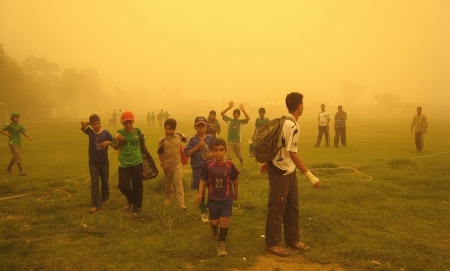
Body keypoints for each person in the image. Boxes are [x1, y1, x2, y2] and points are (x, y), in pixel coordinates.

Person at [260, 92, 321, 257]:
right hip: (281, 172)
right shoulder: (291, 125)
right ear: (299, 106)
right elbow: (292, 153)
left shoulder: (284, 121)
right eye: (303, 103)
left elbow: (278, 144)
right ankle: (272, 243)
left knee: (293, 206)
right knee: (277, 207)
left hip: (289, 170)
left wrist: (267, 162)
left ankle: (293, 239)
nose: (303, 106)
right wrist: (310, 176)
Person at [197, 138, 239, 256]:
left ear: (225, 150)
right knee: (214, 222)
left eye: (221, 150)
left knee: (224, 221)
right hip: (213, 198)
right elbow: (203, 179)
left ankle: (221, 244)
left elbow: (235, 179)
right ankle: (215, 229)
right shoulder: (208, 165)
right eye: (216, 150)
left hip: (226, 198)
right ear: (212, 151)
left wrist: (236, 192)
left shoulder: (230, 165)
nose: (218, 153)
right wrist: (200, 194)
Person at [110, 111, 144, 217]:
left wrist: (146, 159)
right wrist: (119, 141)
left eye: (130, 122)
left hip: (137, 162)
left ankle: (136, 208)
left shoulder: (138, 132)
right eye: (125, 123)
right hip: (124, 163)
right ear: (122, 123)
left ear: (133, 121)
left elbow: (143, 145)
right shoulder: (119, 133)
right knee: (123, 185)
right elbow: (114, 147)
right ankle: (132, 199)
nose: (128, 125)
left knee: (137, 186)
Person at [184, 116, 214, 222]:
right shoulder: (192, 139)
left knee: (211, 190)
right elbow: (186, 153)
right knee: (201, 191)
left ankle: (211, 208)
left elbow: (216, 151)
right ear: (195, 127)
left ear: (206, 126)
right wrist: (197, 147)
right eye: (198, 126)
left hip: (210, 168)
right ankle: (203, 211)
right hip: (198, 169)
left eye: (203, 125)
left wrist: (211, 155)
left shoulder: (210, 138)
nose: (201, 128)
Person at [81, 114, 113, 213]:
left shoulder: (106, 133)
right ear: (91, 125)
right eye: (95, 124)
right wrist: (90, 123)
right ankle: (96, 205)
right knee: (95, 183)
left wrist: (107, 142)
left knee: (105, 181)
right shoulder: (90, 132)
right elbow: (82, 123)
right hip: (93, 162)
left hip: (104, 162)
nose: (97, 125)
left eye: (98, 123)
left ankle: (105, 198)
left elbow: (113, 141)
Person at [157, 118, 187, 210]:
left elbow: (187, 140)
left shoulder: (179, 136)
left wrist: (183, 149)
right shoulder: (162, 141)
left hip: (177, 164)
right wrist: (163, 164)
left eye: (169, 129)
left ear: (174, 129)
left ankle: (181, 203)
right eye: (166, 128)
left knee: (178, 182)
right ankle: (169, 197)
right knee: (168, 183)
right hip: (167, 165)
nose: (167, 130)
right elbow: (160, 154)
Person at [220, 101, 250, 166]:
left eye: (237, 114)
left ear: (239, 115)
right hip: (230, 142)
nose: (236, 115)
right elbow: (221, 113)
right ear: (233, 114)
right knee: (229, 157)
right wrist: (229, 107)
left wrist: (243, 110)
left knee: (239, 156)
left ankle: (241, 161)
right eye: (235, 114)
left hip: (238, 142)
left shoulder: (240, 122)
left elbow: (248, 118)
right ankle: (229, 168)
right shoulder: (229, 120)